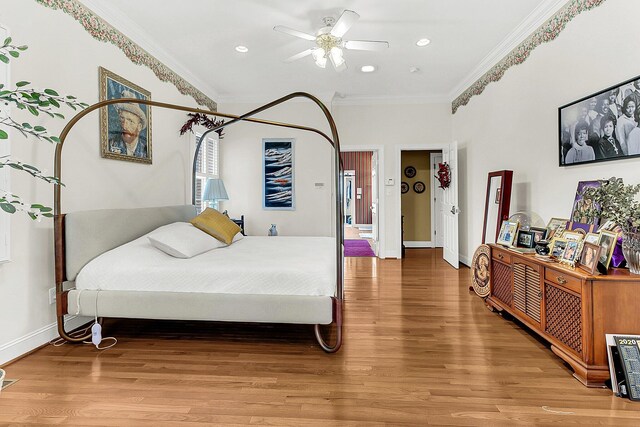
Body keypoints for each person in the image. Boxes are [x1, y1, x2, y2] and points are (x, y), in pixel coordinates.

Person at [108, 90, 148, 158]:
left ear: (139, 126)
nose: (124, 126)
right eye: (122, 119)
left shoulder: (145, 149)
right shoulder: (110, 144)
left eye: (130, 121)